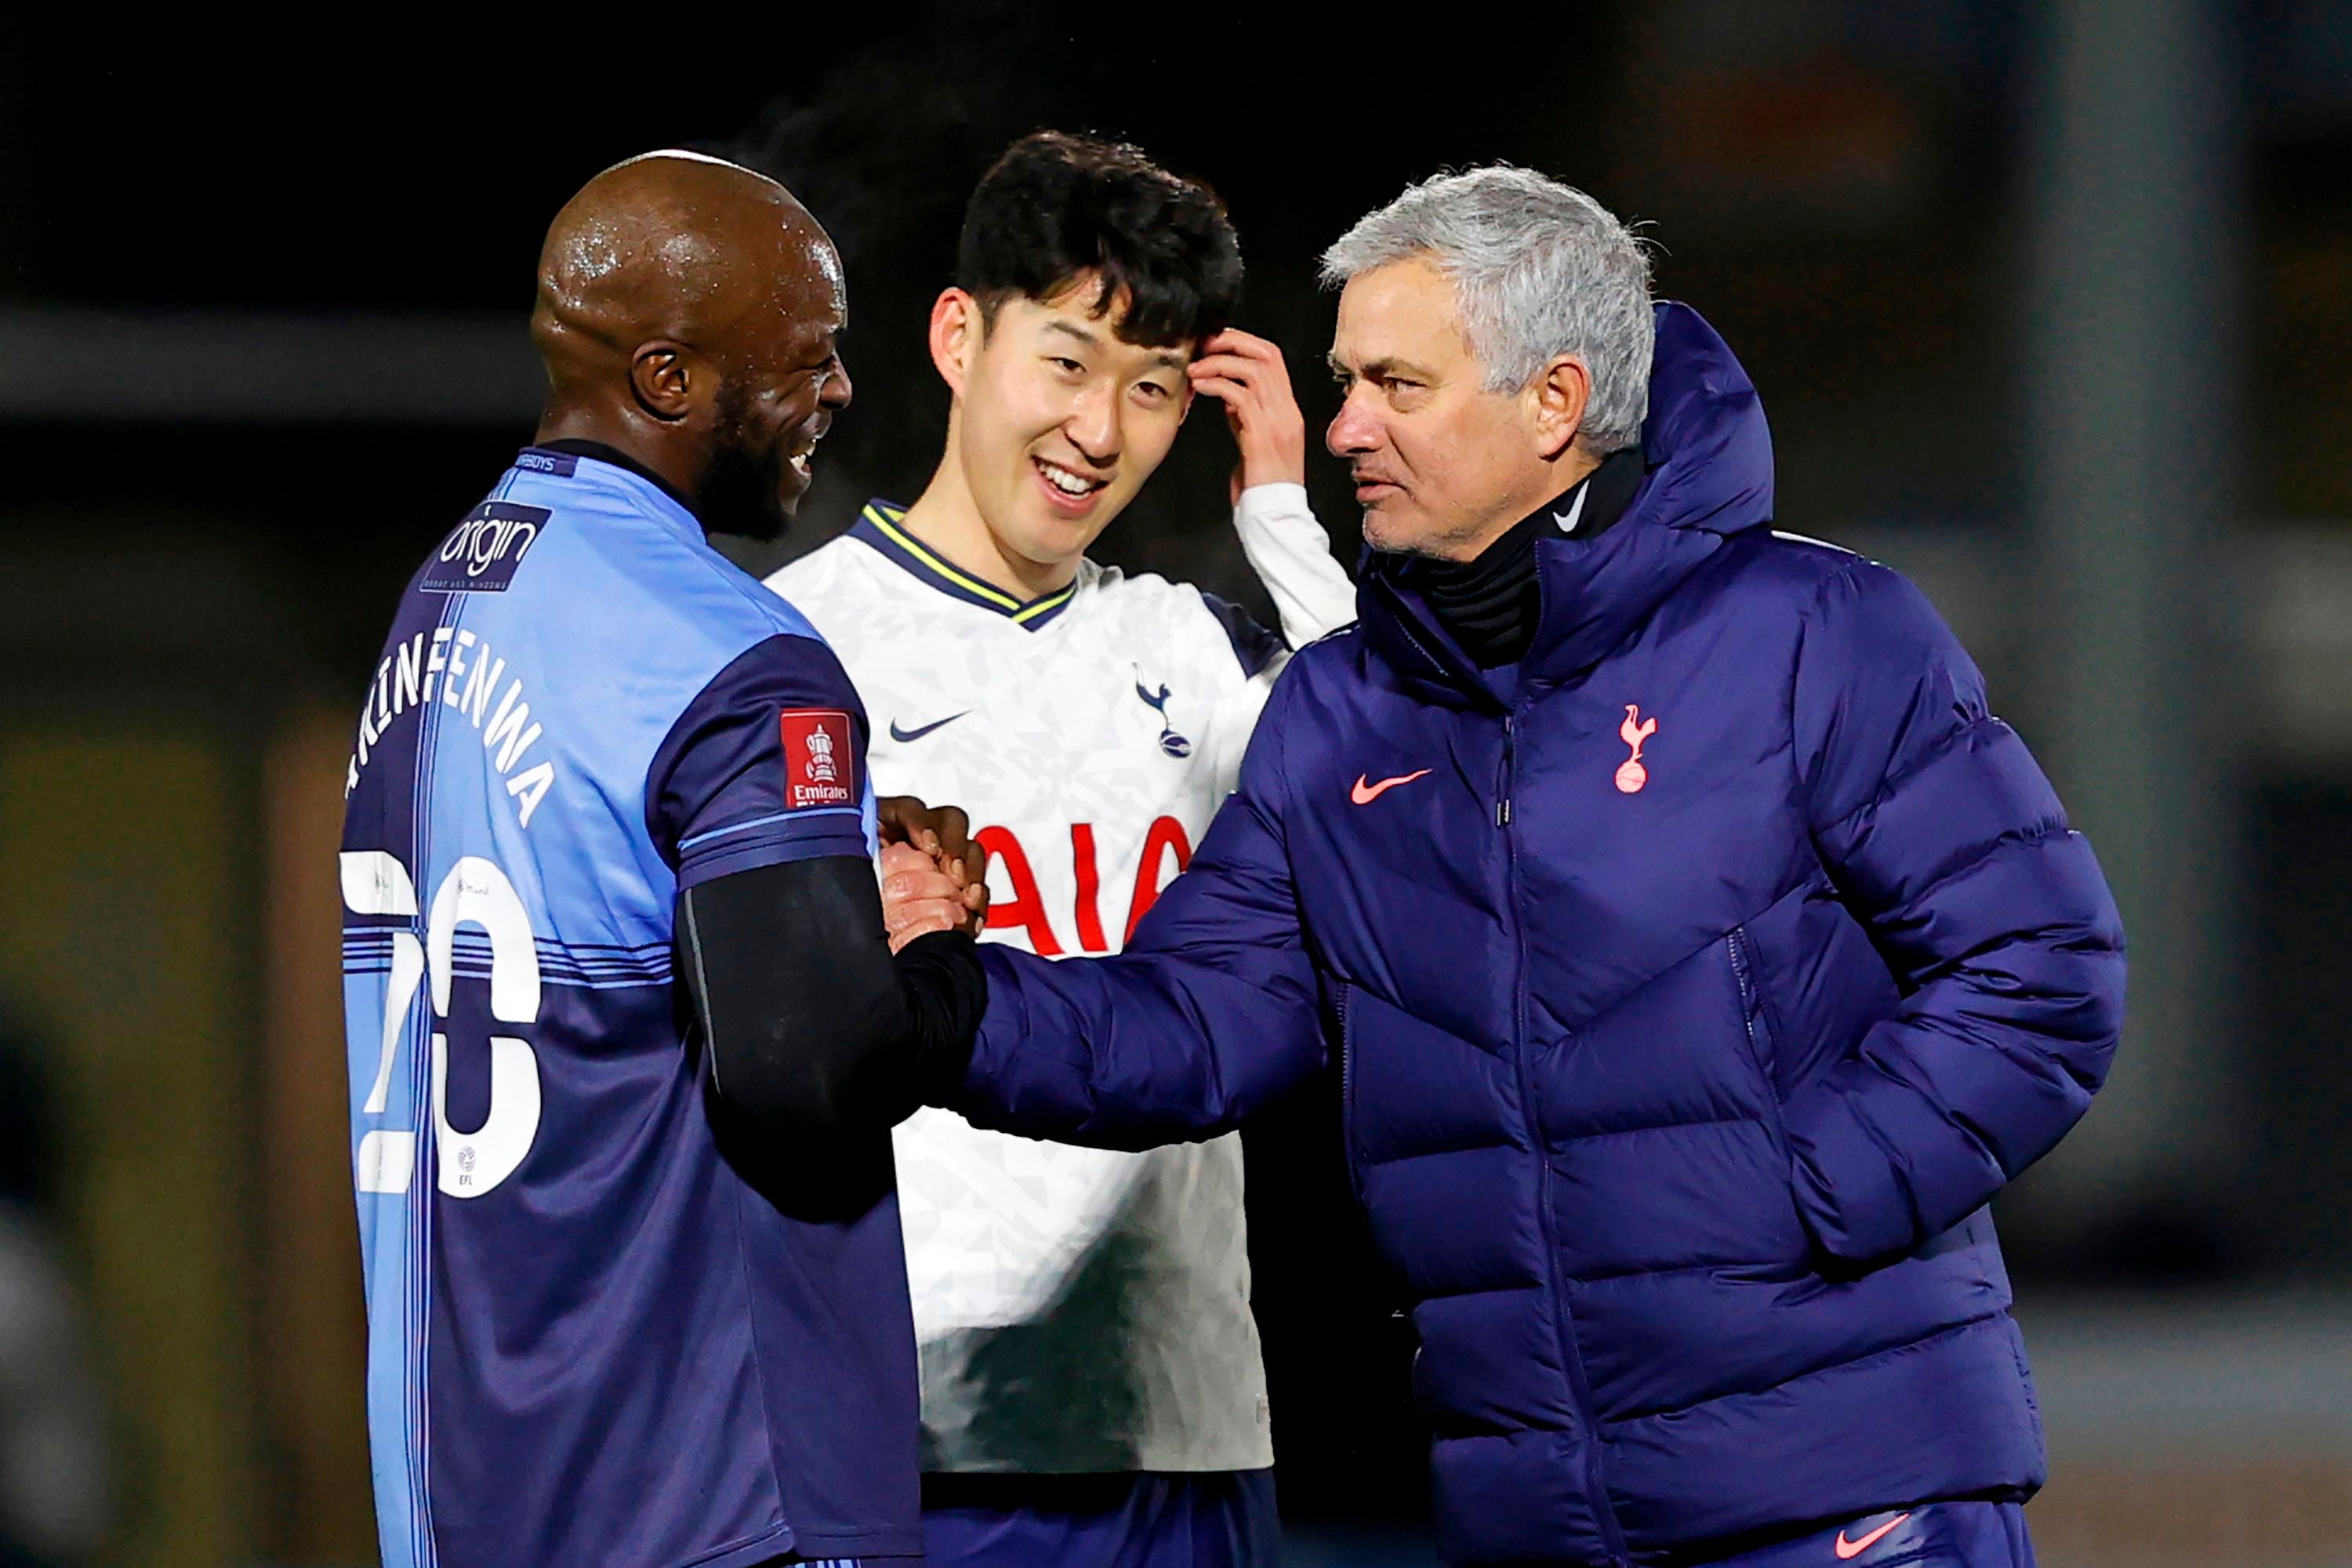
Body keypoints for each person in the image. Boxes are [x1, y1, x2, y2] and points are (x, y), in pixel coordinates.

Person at [887, 167, 2126, 1566]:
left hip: (1846, 1498)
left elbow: (2045, 971)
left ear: (1552, 403)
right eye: (1346, 379)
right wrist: (940, 1005)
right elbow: (1193, 1026)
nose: (1341, 427)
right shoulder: (1337, 714)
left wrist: (1802, 1199)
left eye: (1395, 386)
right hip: (1535, 1518)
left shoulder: (1817, 632)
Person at [339, 151, 985, 1568]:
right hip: (708, 1495)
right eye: (807, 358)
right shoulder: (733, 655)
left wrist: (802, 876)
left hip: (473, 1494)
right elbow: (808, 1077)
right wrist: (933, 950)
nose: (839, 390)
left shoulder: (444, 602)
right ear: (671, 381)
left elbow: (632, 913)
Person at [772, 131, 1352, 1568]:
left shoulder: (1193, 648)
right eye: (1071, 362)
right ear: (960, 336)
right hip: (916, 1431)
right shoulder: (793, 646)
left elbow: (1396, 808)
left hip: (1190, 1420)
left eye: (1153, 386)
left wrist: (1282, 514)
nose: (1102, 429)